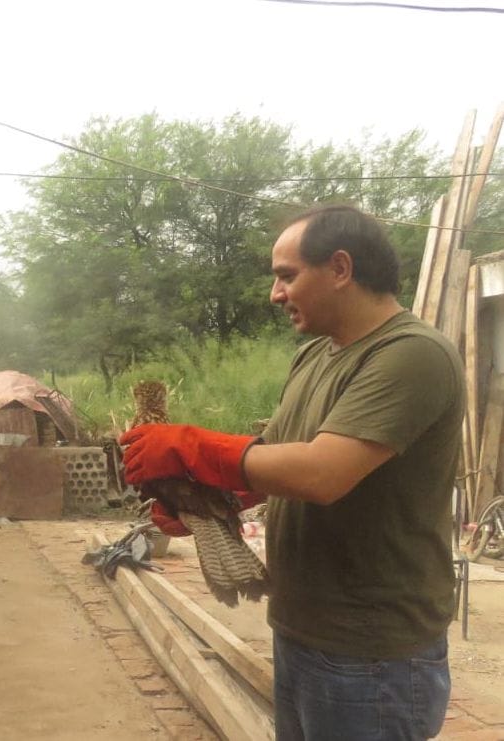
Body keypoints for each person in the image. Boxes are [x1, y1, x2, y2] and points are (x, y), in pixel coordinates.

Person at [120, 204, 463, 740]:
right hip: (302, 626)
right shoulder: (314, 357)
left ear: (341, 268)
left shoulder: (412, 355)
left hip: (373, 652)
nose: (275, 294)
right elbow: (276, 457)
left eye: (286, 276)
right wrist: (210, 503)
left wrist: (192, 446)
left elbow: (322, 474)